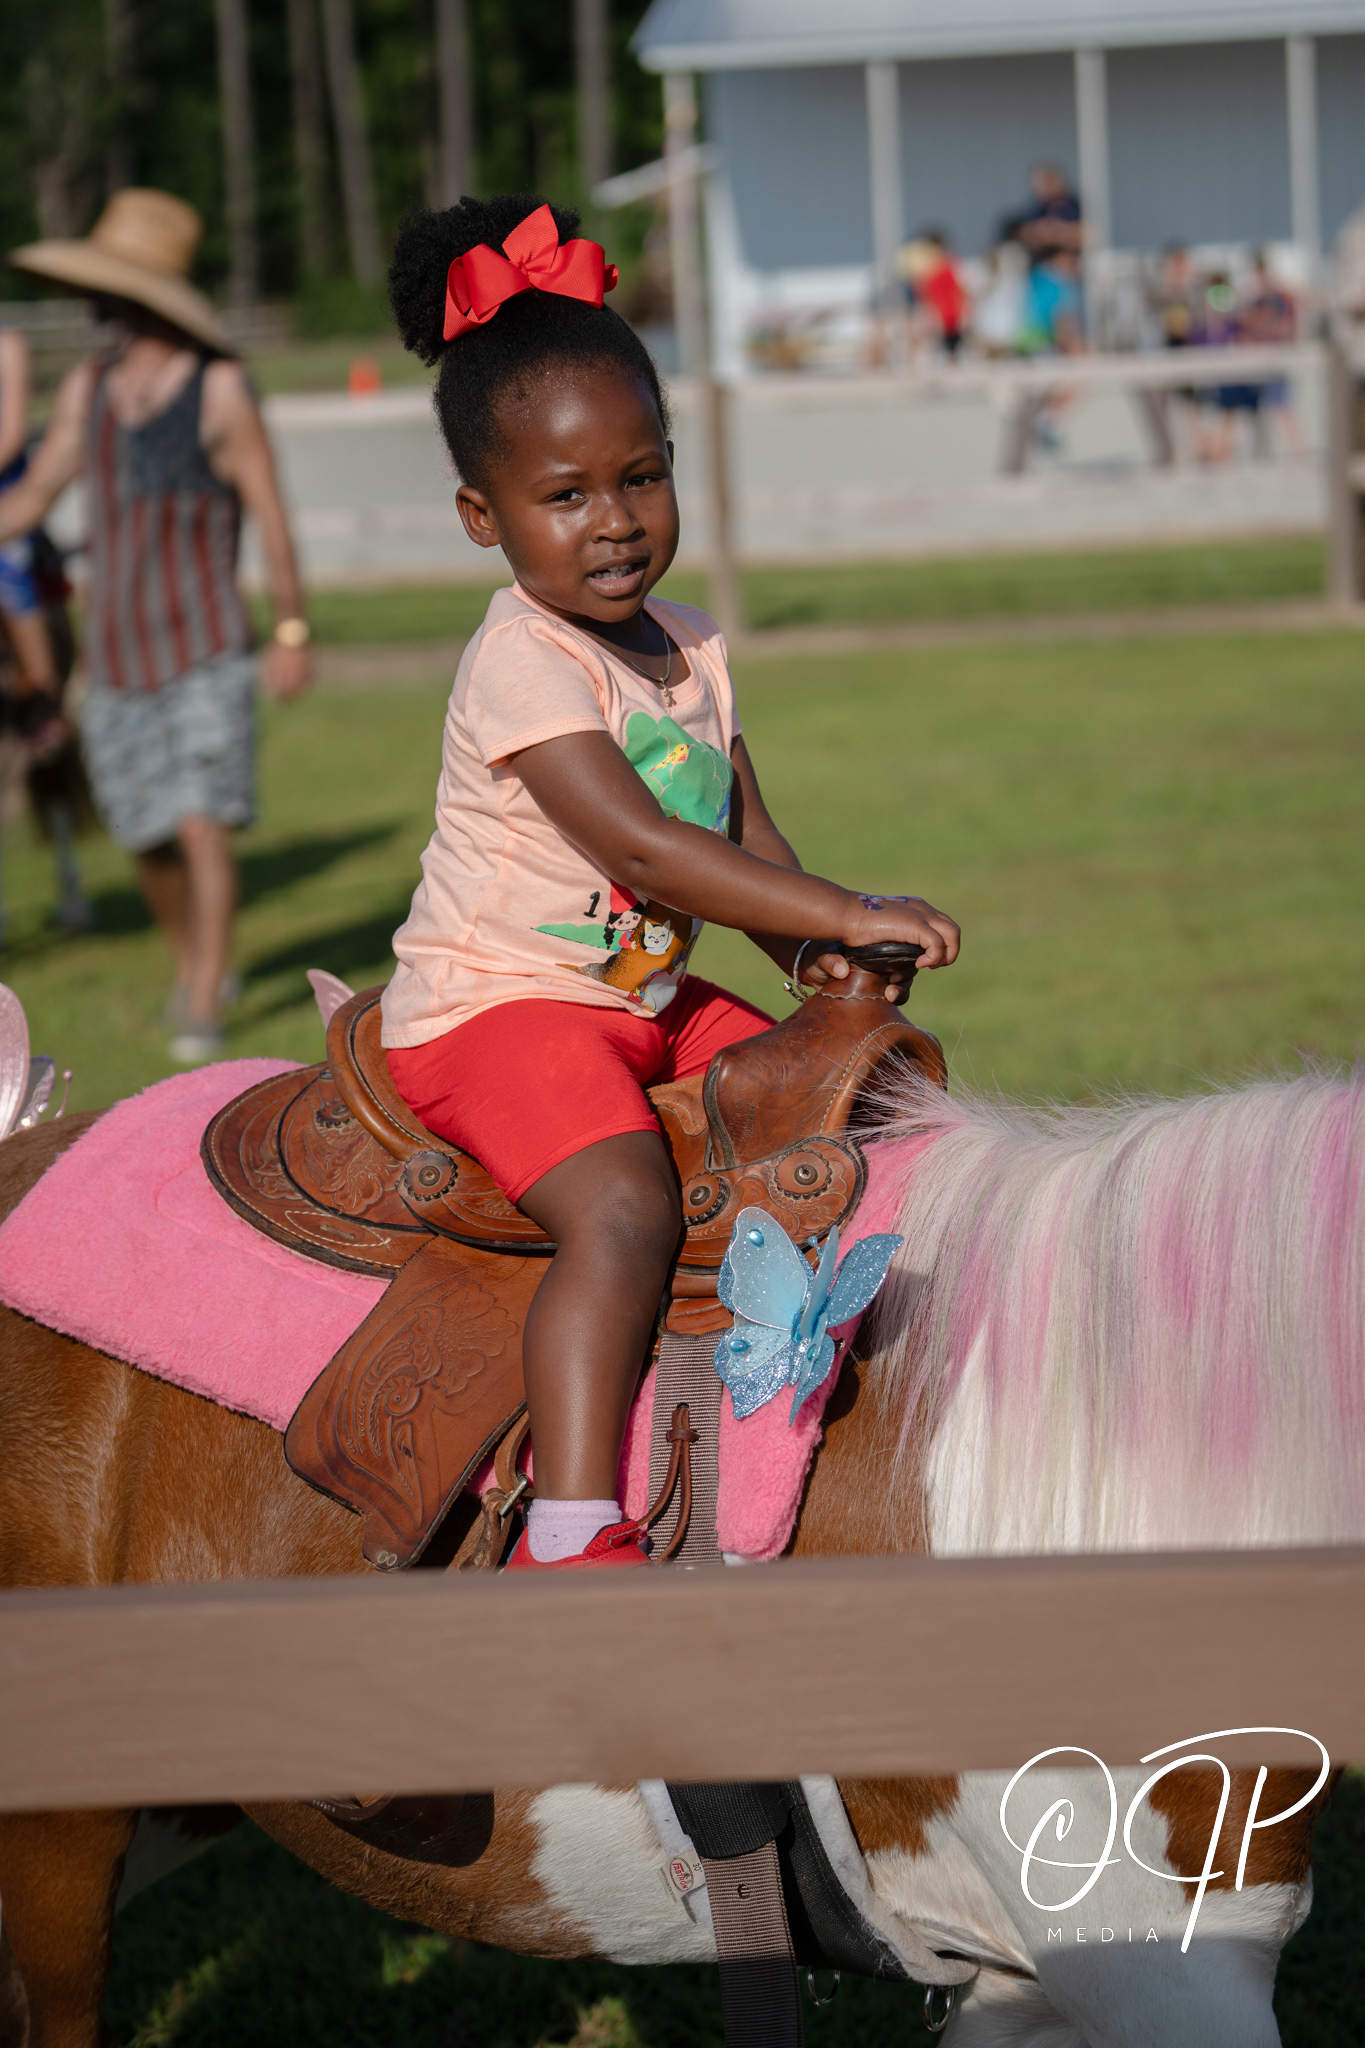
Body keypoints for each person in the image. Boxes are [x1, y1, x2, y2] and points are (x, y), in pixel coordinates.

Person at [380, 195, 961, 1572]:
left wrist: (819, 964)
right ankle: (573, 1518)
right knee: (623, 1204)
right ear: (482, 515)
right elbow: (643, 846)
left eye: (640, 478)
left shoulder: (688, 648)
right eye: (565, 496)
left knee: (847, 1104)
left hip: (637, 996)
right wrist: (841, 913)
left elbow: (747, 837)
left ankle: (831, 1382)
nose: (615, 523)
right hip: (498, 1007)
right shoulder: (525, 661)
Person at [0, 188, 312, 1062]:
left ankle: (205, 996)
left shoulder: (220, 390)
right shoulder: (89, 390)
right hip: (115, 660)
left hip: (207, 648)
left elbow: (271, 514)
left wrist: (291, 628)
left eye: (106, 291)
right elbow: (34, 493)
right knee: (144, 835)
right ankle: (192, 962)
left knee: (202, 822)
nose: (93, 307)